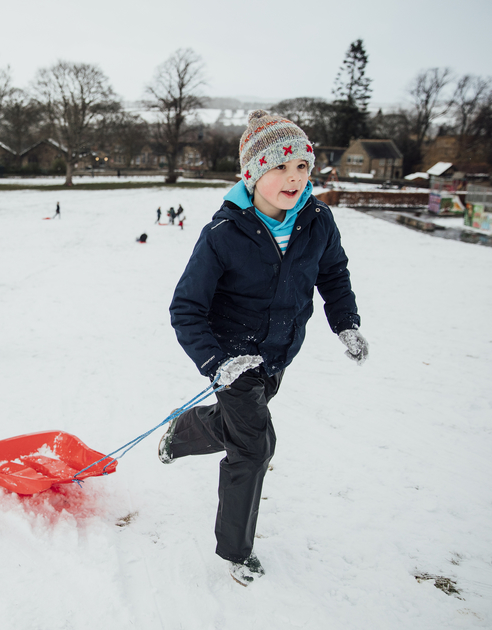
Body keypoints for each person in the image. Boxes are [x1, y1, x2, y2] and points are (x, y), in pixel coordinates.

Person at [163, 110, 368, 586]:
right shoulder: (223, 234)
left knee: (238, 429)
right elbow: (185, 308)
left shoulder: (317, 221)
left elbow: (333, 275)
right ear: (253, 173)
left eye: (302, 167)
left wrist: (347, 325)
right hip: (233, 357)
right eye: (281, 167)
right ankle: (235, 552)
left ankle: (183, 432)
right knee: (254, 448)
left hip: (278, 352)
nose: (294, 178)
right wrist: (218, 364)